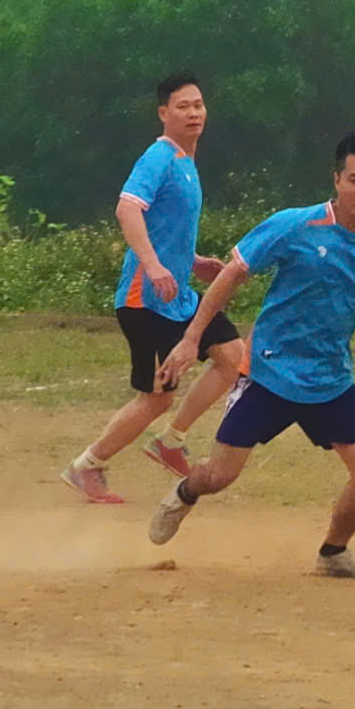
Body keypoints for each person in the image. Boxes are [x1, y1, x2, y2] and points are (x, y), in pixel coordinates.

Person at [144, 132, 355, 579]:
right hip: (268, 373)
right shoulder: (294, 225)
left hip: (331, 381)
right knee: (221, 476)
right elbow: (232, 275)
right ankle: (186, 491)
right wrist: (191, 338)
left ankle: (333, 553)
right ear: (336, 180)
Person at [60, 73, 251, 504]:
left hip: (175, 296)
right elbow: (127, 208)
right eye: (182, 106)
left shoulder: (185, 162)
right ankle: (87, 466)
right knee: (155, 398)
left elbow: (165, 226)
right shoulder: (159, 157)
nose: (194, 112)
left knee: (232, 356)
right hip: (145, 300)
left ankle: (171, 440)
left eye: (198, 104)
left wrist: (193, 261)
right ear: (163, 113)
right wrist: (153, 265)